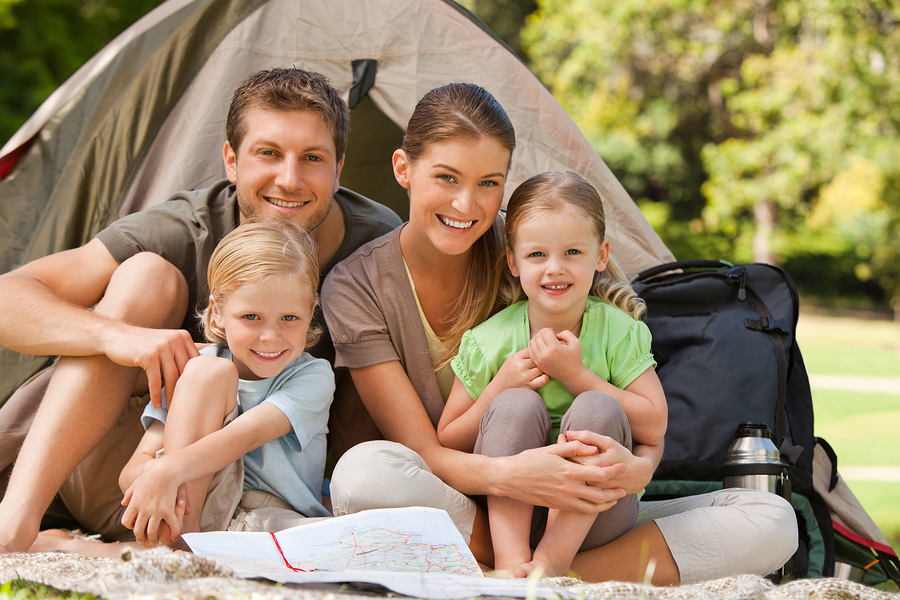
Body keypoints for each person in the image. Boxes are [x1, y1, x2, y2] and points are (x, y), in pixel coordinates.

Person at [323, 82, 797, 584]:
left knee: (771, 520)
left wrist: (639, 469)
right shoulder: (358, 285)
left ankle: (534, 575)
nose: (466, 204)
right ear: (404, 169)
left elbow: (643, 416)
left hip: (587, 504)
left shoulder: (542, 239)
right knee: (363, 476)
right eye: (446, 177)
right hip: (470, 505)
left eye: (489, 183)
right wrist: (519, 474)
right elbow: (428, 450)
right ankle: (538, 569)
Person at [0, 68, 401, 554]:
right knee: (146, 275)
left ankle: (149, 551)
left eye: (312, 158)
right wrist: (113, 335)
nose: (289, 179)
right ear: (232, 160)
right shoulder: (185, 227)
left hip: (256, 493)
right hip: (129, 476)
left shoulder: (378, 241)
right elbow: (11, 296)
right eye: (268, 153)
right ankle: (15, 523)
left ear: (339, 167)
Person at [436, 171, 667, 578]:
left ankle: (554, 560)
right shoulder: (490, 340)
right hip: (511, 513)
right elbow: (449, 437)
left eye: (573, 253)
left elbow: (654, 424)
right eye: (537, 255)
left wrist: (576, 375)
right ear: (513, 261)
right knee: (514, 404)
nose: (554, 269)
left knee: (597, 404)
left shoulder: (619, 331)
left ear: (600, 255)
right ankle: (511, 561)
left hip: (596, 516)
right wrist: (498, 387)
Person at [121, 220, 333, 548]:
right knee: (209, 372)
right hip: (194, 509)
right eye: (251, 317)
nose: (271, 336)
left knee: (318, 546)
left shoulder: (313, 376)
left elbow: (244, 436)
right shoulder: (195, 371)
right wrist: (154, 478)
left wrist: (169, 471)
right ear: (218, 313)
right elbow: (132, 470)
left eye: (289, 318)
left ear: (311, 312)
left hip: (270, 515)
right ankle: (182, 541)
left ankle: (173, 549)